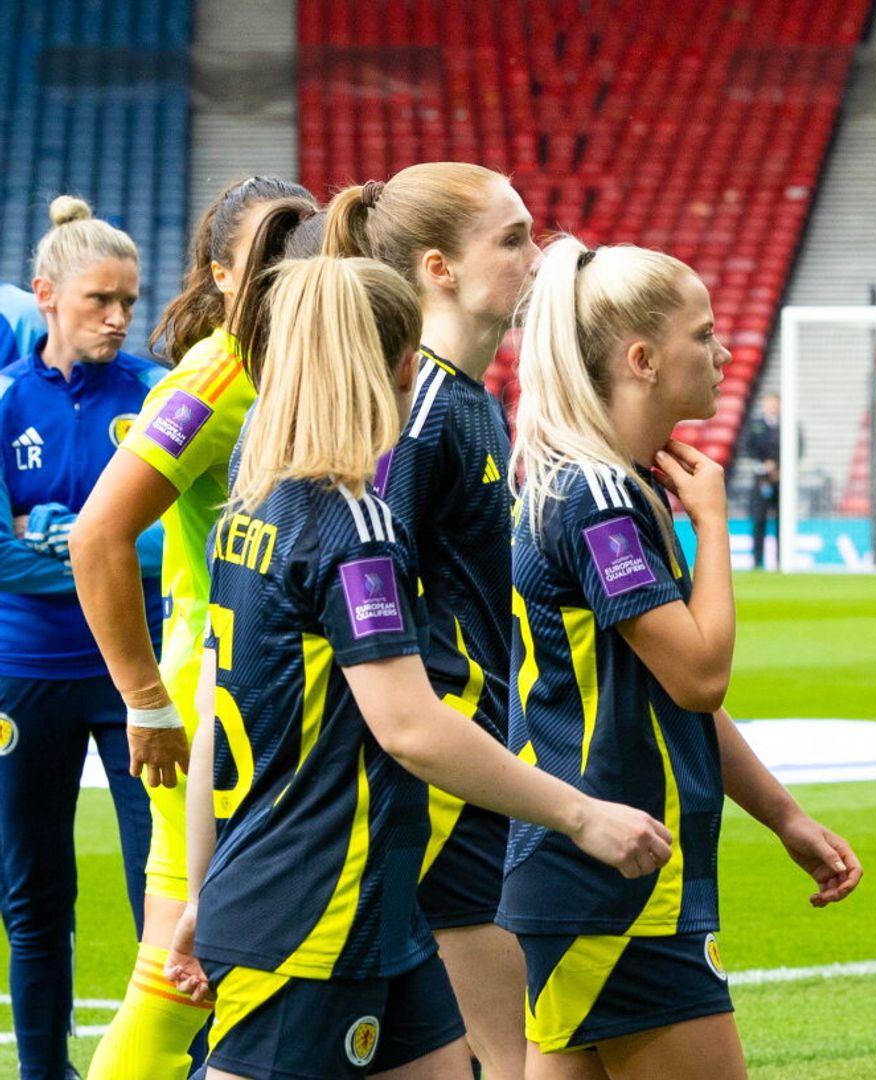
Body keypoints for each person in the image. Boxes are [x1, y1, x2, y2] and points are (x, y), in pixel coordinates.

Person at [152, 253, 670, 1080]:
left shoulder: (249, 508)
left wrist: (208, 888)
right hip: (315, 907)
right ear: (400, 366)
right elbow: (412, 728)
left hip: (355, 903)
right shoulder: (353, 526)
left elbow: (218, 719)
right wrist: (581, 816)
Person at [505, 236, 861, 1078]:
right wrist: (713, 524)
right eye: (702, 335)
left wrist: (783, 815)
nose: (724, 351)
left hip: (588, 868)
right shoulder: (600, 499)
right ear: (641, 359)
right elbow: (701, 676)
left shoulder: (600, 483)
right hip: (619, 874)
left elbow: (670, 694)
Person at [69, 175, 317, 1080]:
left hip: (275, 691)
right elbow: (97, 534)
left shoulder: (296, 368)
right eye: (268, 258)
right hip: (218, 700)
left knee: (200, 978)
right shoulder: (217, 373)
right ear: (220, 273)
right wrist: (146, 701)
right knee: (208, 972)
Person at [322, 162, 537, 1078]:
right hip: (444, 774)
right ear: (440, 267)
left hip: (477, 753)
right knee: (520, 1056)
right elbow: (368, 580)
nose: (537, 255)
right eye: (514, 238)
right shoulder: (424, 412)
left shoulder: (469, 401)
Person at [0, 197, 163, 1079]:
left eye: (128, 301)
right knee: (32, 897)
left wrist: (63, 532)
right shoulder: (2, 403)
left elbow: (176, 542)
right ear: (46, 295)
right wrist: (108, 548)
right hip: (21, 674)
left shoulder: (156, 395)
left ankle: (171, 1063)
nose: (117, 317)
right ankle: (43, 1073)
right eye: (101, 299)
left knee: (160, 892)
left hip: (134, 677)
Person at [740, 394, 779, 569]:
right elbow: (747, 448)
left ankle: (781, 561)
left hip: (781, 480)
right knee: (759, 520)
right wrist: (764, 466)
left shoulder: (789, 425)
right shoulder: (755, 425)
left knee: (782, 522)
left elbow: (798, 448)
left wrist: (778, 467)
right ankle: (757, 561)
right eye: (768, 403)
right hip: (761, 479)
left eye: (775, 403)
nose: (771, 406)